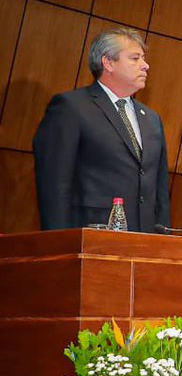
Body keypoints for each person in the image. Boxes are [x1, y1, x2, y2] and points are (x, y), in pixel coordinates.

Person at [33, 27, 170, 233]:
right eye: (135, 58)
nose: (146, 66)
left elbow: (160, 191)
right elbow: (54, 184)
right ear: (108, 63)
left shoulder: (151, 119)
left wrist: (164, 240)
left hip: (145, 240)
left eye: (143, 58)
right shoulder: (71, 107)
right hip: (91, 235)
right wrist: (58, 242)